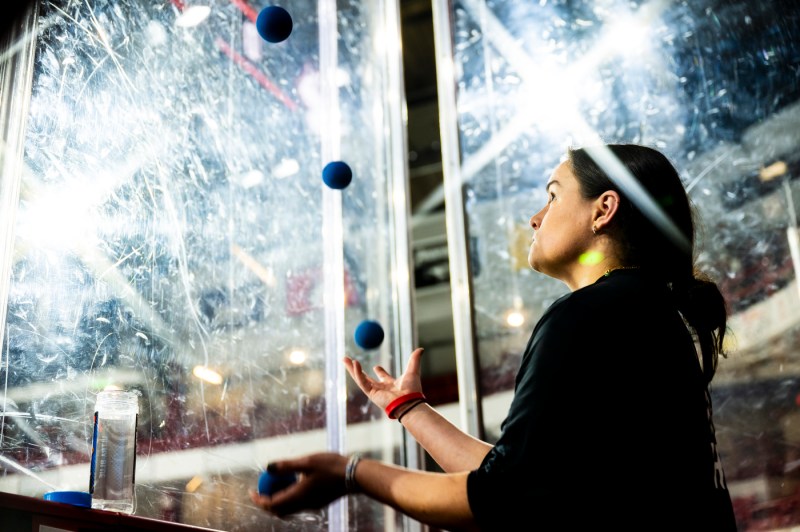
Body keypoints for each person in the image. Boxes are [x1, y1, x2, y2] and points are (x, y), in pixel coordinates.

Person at [250, 144, 738, 531]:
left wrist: (352, 473)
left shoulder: (591, 316)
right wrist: (410, 410)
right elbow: (522, 481)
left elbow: (502, 505)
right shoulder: (647, 313)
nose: (536, 217)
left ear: (603, 209)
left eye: (552, 194)